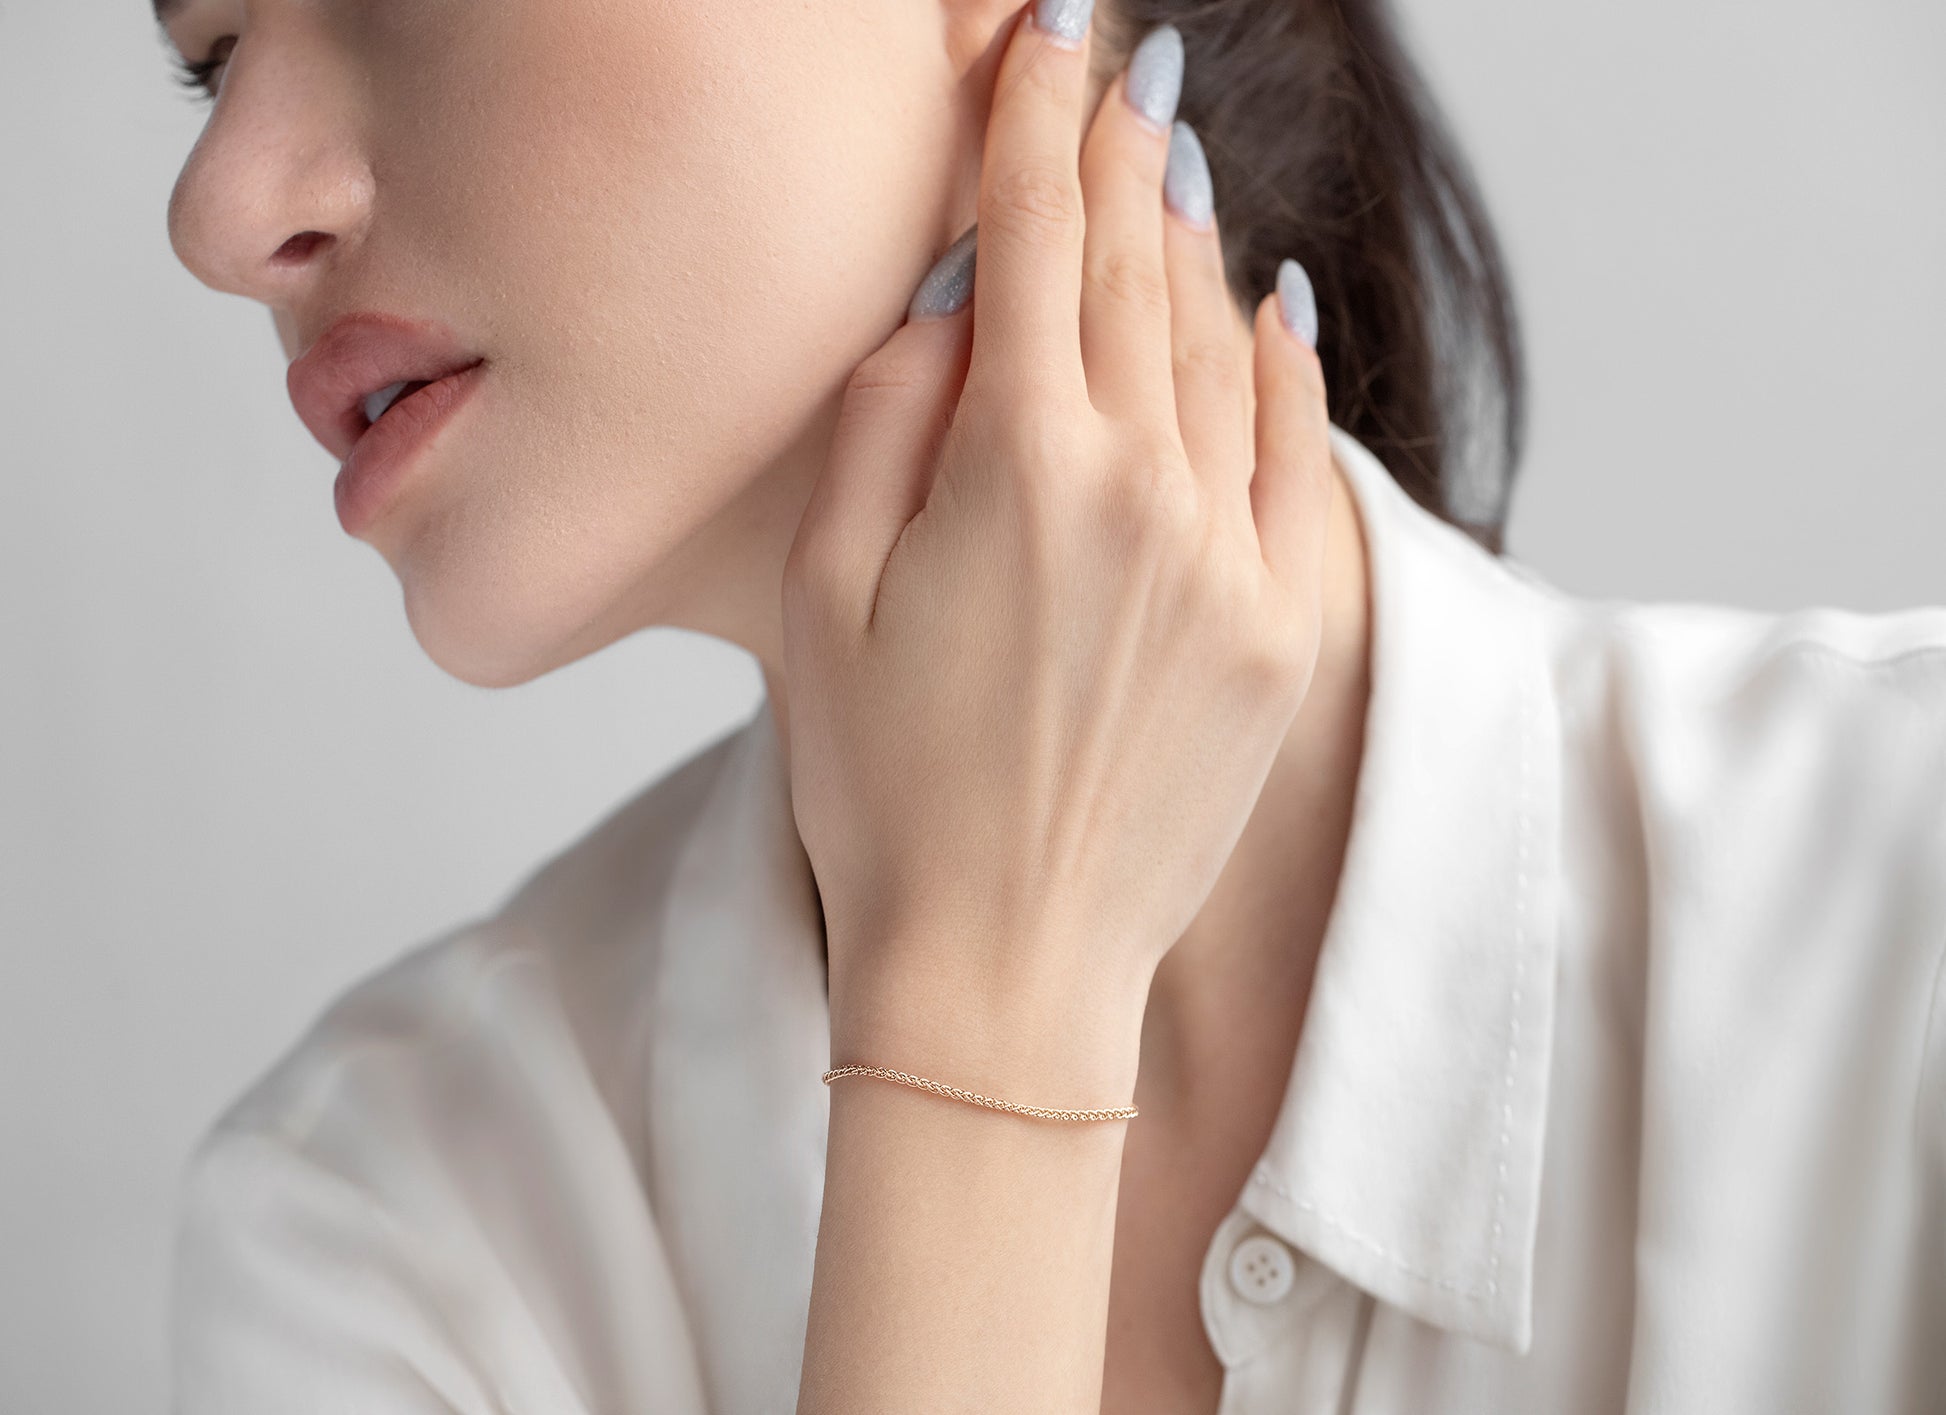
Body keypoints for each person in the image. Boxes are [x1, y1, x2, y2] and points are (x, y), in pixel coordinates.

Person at [153, 0, 1946, 1408]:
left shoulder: (1902, 898)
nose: (217, 212)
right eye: (213, 62)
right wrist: (982, 1020)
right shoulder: (393, 1225)